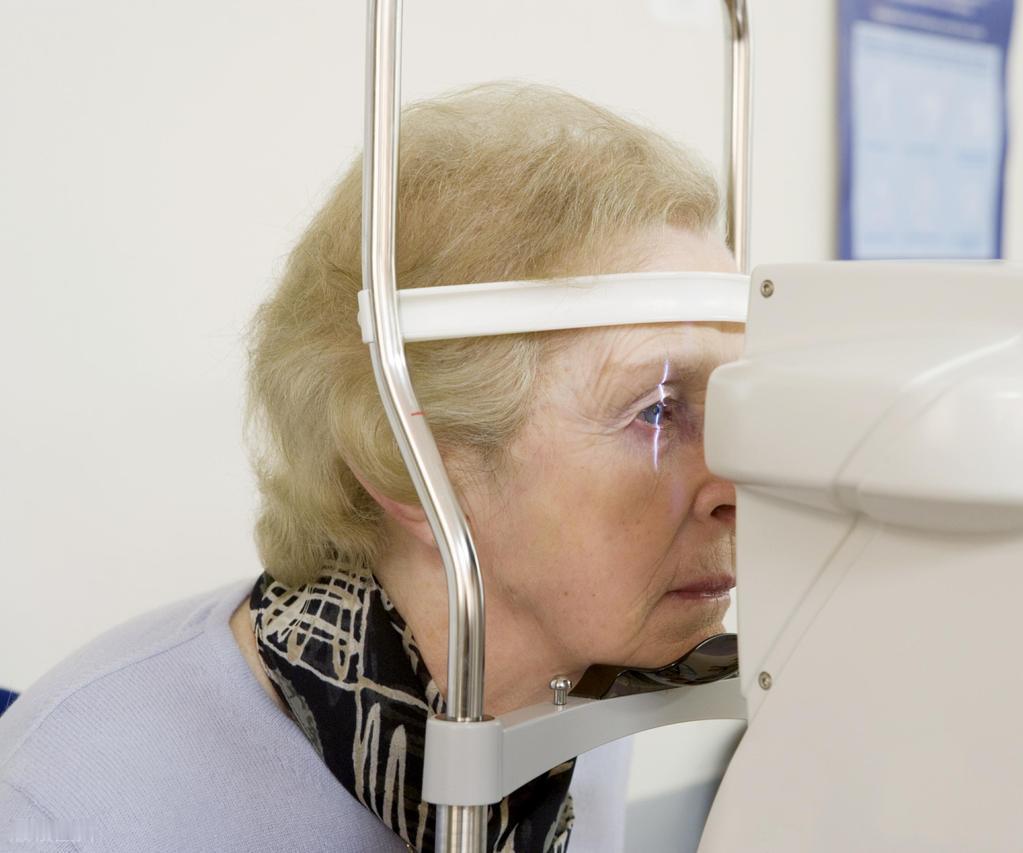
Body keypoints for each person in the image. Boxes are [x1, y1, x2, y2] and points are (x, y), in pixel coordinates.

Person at [0, 82, 742, 853]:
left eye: (733, 407)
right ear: (411, 461)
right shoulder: (76, 814)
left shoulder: (576, 705)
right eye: (658, 411)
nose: (735, 489)